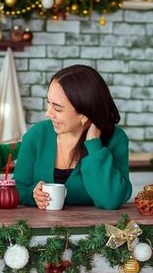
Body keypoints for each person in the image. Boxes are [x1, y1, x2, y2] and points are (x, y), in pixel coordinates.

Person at [14, 64, 132, 210]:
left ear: (84, 114)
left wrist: (94, 143)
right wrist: (34, 195)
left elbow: (112, 199)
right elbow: (18, 188)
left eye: (57, 108)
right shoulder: (37, 135)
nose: (48, 113)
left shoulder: (115, 139)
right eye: (48, 103)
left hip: (96, 230)